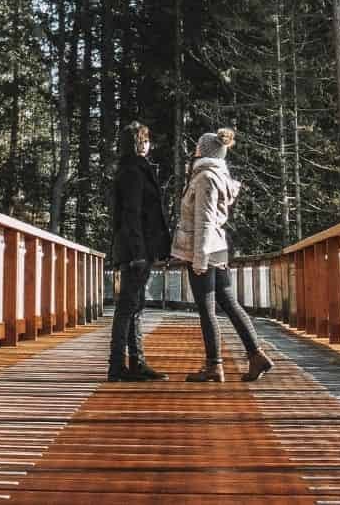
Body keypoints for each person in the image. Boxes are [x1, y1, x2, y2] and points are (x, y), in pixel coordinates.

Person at [171, 127, 273, 383]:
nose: (195, 149)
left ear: (204, 151)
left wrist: (199, 260)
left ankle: (214, 366)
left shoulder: (205, 176)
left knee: (207, 310)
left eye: (198, 146)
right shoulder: (215, 174)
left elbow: (204, 221)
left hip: (204, 249)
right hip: (217, 248)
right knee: (229, 303)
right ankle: (256, 355)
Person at [108, 120, 172, 381]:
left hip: (138, 247)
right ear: (137, 144)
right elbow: (131, 214)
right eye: (144, 141)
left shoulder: (132, 170)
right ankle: (118, 366)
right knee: (128, 307)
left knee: (134, 306)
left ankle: (135, 363)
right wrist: (138, 253)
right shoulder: (133, 172)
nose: (148, 145)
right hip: (136, 249)